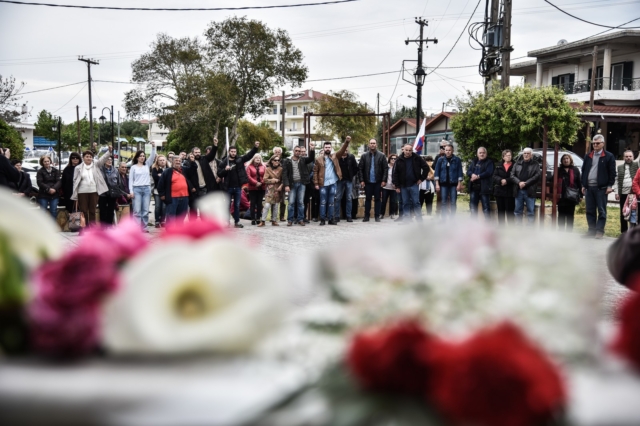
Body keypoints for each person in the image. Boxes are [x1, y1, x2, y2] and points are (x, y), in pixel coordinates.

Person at [581, 134, 616, 239]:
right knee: (589, 210)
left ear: (603, 144)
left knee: (601, 210)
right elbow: (584, 171)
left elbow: (612, 172)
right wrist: (583, 185)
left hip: (601, 188)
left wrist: (610, 185)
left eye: (597, 143)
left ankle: (599, 231)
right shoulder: (588, 156)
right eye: (594, 143)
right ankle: (591, 230)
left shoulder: (609, 156)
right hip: (589, 187)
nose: (595, 145)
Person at [217, 141, 260, 228]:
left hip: (237, 187)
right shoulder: (225, 161)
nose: (233, 153)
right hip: (228, 187)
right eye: (232, 151)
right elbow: (219, 174)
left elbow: (249, 155)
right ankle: (226, 222)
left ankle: (237, 222)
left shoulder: (239, 160)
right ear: (229, 152)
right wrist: (225, 170)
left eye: (234, 151)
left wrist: (255, 148)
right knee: (227, 205)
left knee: (236, 205)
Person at [315, 137, 352, 225]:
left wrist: (346, 142)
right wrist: (316, 183)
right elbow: (315, 171)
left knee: (331, 202)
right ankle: (323, 219)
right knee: (323, 202)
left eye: (329, 147)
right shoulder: (318, 159)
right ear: (323, 148)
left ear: (331, 148)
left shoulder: (335, 156)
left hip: (333, 183)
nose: (327, 149)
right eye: (326, 147)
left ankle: (331, 219)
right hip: (323, 183)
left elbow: (342, 150)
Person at [72, 149, 112, 226]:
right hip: (82, 192)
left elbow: (103, 159)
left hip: (94, 191)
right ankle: (85, 227)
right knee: (83, 210)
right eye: (87, 156)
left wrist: (109, 152)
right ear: (83, 157)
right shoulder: (78, 168)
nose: (89, 158)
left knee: (92, 210)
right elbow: (75, 181)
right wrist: (75, 194)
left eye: (90, 157)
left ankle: (92, 228)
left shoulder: (96, 165)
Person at [392, 144, 430, 224]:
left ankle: (419, 219)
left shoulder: (417, 158)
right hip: (403, 185)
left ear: (412, 151)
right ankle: (407, 220)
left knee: (416, 202)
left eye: (410, 150)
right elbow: (395, 174)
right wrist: (397, 186)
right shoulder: (399, 160)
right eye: (406, 150)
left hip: (414, 184)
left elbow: (426, 168)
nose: (408, 152)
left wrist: (421, 178)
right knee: (405, 203)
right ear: (403, 150)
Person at [283, 143, 316, 226]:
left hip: (302, 184)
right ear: (293, 151)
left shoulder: (303, 160)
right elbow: (285, 174)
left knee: (301, 202)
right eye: (296, 151)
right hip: (292, 184)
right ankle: (290, 220)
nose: (298, 152)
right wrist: (286, 185)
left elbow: (311, 158)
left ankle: (300, 219)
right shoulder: (288, 161)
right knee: (291, 203)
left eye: (299, 151)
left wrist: (312, 149)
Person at [357, 138, 388, 222]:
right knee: (368, 199)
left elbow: (385, 168)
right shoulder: (364, 156)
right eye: (371, 143)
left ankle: (377, 216)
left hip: (378, 181)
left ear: (376, 145)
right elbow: (360, 169)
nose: (372, 144)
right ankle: (366, 216)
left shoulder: (382, 155)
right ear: (368, 145)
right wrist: (362, 180)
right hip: (368, 182)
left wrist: (384, 180)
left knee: (378, 199)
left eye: (374, 143)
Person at [128, 143, 157, 230]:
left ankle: (144, 227)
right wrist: (131, 191)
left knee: (145, 211)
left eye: (143, 156)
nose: (142, 157)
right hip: (136, 189)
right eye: (140, 156)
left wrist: (153, 147)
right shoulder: (133, 167)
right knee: (137, 211)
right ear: (137, 157)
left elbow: (152, 156)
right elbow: (131, 180)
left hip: (146, 189)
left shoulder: (147, 165)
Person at [510, 147, 541, 225]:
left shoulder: (535, 164)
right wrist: (519, 182)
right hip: (518, 190)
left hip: (530, 191)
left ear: (531, 155)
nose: (526, 155)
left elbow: (537, 176)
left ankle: (529, 230)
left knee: (530, 211)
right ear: (523, 154)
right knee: (517, 211)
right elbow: (512, 175)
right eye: (525, 153)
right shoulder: (517, 163)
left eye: (528, 153)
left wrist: (526, 183)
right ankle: (518, 229)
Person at [158, 156, 193, 222]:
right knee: (171, 216)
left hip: (184, 197)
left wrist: (192, 161)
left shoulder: (184, 170)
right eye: (176, 160)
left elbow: (193, 169)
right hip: (172, 198)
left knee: (181, 216)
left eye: (179, 161)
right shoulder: (167, 171)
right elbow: (160, 184)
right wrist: (162, 194)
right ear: (172, 161)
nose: (178, 162)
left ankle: (178, 231)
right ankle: (170, 231)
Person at [434, 144, 463, 219]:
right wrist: (437, 184)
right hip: (443, 184)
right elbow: (437, 172)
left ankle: (452, 219)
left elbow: (460, 172)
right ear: (444, 151)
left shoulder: (457, 160)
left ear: (453, 150)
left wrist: (459, 184)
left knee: (453, 202)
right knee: (443, 202)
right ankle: (443, 219)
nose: (448, 152)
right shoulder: (440, 160)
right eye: (446, 150)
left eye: (449, 150)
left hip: (453, 184)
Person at [556, 153, 582, 232]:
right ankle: (561, 230)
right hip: (561, 196)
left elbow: (579, 183)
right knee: (561, 215)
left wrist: (581, 195)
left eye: (567, 159)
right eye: (564, 159)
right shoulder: (558, 170)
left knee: (570, 215)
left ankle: (569, 231)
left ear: (570, 160)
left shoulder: (575, 170)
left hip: (572, 196)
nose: (566, 160)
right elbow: (552, 181)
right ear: (562, 161)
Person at [467, 147, 495, 220]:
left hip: (484, 187)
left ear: (486, 154)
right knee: (473, 207)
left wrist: (478, 176)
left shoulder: (489, 162)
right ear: (477, 154)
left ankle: (487, 225)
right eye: (480, 153)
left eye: (483, 153)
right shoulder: (474, 161)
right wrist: (472, 175)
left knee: (486, 207)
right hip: (474, 187)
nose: (482, 154)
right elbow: (469, 171)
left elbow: (489, 172)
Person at [615, 150, 639, 234]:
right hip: (623, 193)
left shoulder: (637, 165)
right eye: (626, 156)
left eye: (630, 156)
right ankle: (624, 232)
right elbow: (617, 180)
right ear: (623, 157)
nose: (628, 158)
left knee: (634, 213)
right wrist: (617, 192)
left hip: (633, 194)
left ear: (633, 157)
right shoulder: (620, 167)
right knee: (624, 212)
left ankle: (634, 232)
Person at [335, 143, 359, 222]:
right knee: (338, 198)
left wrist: (351, 176)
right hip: (340, 180)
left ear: (348, 149)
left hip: (349, 180)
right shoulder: (337, 157)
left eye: (346, 149)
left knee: (349, 198)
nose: (345, 151)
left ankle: (349, 216)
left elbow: (355, 168)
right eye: (343, 149)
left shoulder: (351, 157)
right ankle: (337, 216)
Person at [97, 148, 121, 226]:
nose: (109, 161)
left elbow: (118, 182)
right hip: (103, 193)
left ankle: (109, 225)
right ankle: (103, 227)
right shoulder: (99, 169)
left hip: (112, 193)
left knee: (111, 210)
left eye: (111, 159)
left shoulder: (115, 170)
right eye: (107, 159)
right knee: (103, 210)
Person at [492, 149, 516, 226]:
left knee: (510, 211)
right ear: (503, 157)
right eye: (507, 155)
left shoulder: (515, 165)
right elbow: (494, 176)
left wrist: (507, 180)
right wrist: (500, 180)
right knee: (501, 211)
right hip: (500, 192)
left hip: (510, 191)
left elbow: (516, 176)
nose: (509, 157)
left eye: (510, 155)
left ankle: (510, 228)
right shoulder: (499, 165)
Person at [258, 156, 283, 227]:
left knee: (275, 205)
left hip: (278, 189)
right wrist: (273, 180)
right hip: (270, 189)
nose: (277, 162)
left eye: (278, 160)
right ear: (272, 161)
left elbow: (283, 179)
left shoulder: (281, 169)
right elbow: (264, 179)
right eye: (275, 160)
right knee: (267, 205)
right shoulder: (268, 169)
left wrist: (281, 186)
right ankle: (263, 221)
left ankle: (274, 220)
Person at [36, 155, 61, 220]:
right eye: (45, 161)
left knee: (53, 211)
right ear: (42, 162)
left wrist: (54, 188)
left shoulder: (55, 170)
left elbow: (59, 181)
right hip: (43, 194)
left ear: (50, 161)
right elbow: (40, 182)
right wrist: (48, 189)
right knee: (43, 212)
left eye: (48, 161)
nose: (47, 163)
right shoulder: (40, 171)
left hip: (54, 194)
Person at [246, 154, 266, 225]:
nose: (258, 159)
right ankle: (253, 219)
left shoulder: (263, 167)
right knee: (253, 203)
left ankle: (258, 218)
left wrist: (261, 182)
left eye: (259, 158)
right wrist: (255, 183)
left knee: (259, 203)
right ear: (253, 159)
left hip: (261, 187)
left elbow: (265, 176)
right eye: (256, 158)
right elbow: (248, 176)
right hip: (252, 187)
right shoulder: (249, 167)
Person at [302, 146, 319, 222]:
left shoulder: (309, 160)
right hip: (299, 182)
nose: (302, 153)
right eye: (301, 151)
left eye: (304, 151)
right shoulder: (296, 160)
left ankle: (304, 217)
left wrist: (308, 177)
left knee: (306, 200)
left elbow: (313, 170)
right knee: (298, 201)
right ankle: (296, 217)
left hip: (308, 183)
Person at [151, 154, 168, 228]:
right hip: (157, 191)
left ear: (166, 161)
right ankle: (157, 221)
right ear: (157, 161)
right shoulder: (155, 169)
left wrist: (161, 175)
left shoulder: (168, 169)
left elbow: (168, 179)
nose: (162, 162)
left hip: (166, 191)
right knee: (158, 206)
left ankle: (163, 220)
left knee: (164, 207)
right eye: (160, 160)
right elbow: (156, 178)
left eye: (163, 160)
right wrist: (161, 176)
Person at [381, 154, 398, 219]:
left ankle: (392, 213)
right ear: (389, 159)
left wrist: (396, 184)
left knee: (393, 201)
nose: (393, 160)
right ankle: (382, 214)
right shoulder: (386, 167)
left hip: (393, 188)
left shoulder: (397, 167)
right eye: (392, 158)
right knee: (384, 201)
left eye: (395, 159)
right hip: (385, 187)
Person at [273, 146, 287, 222]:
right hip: (273, 184)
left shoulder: (284, 162)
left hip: (282, 183)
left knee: (282, 201)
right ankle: (273, 217)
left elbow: (285, 174)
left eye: (279, 152)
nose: (277, 153)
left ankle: (282, 216)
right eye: (276, 152)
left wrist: (282, 184)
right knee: (274, 201)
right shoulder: (270, 162)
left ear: (281, 153)